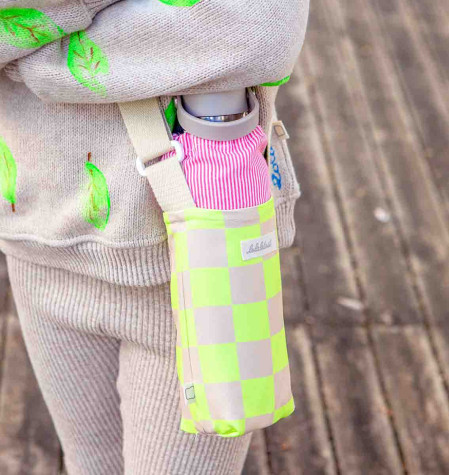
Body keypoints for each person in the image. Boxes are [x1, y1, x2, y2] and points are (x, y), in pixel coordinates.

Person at [0, 1, 309, 473]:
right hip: (35, 229)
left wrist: (31, 57)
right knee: (89, 465)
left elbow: (258, 29)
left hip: (200, 253)